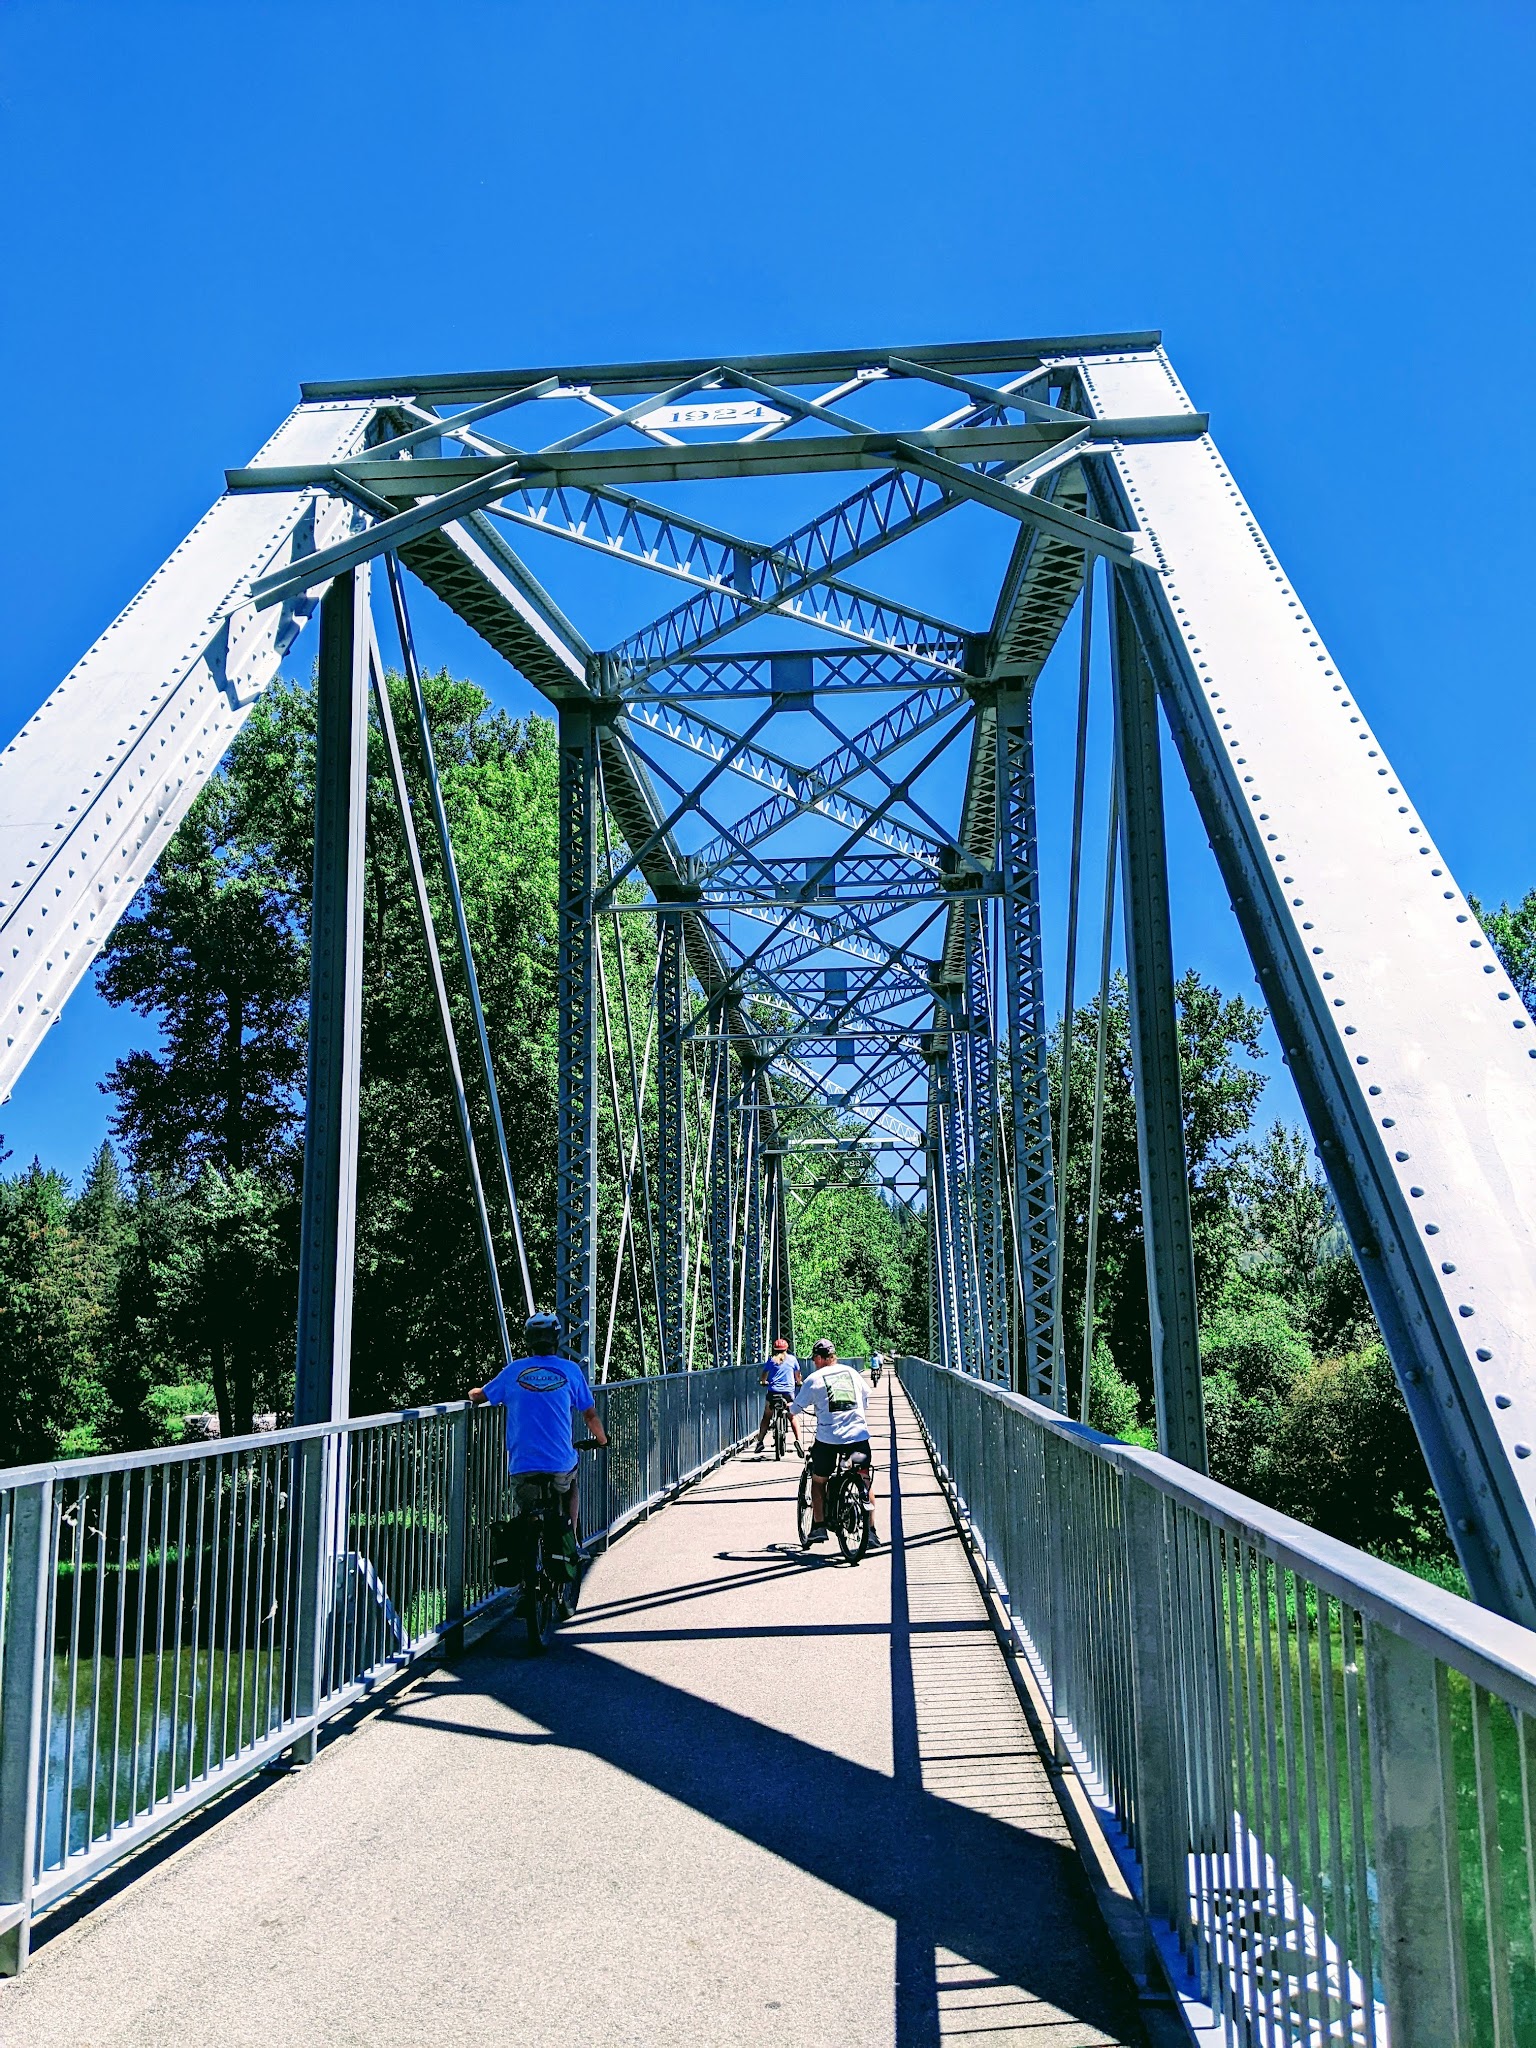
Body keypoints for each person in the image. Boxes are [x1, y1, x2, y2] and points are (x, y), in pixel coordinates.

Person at [469, 1312, 607, 1544]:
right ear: (556, 1339)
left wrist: (471, 1393)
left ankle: (527, 1557)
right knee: (571, 1484)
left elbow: (478, 1396)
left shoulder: (514, 1371)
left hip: (523, 1464)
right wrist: (602, 1440)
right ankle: (571, 1540)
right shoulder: (571, 1370)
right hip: (559, 1464)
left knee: (527, 1508)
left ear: (528, 1341)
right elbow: (590, 1416)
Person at [789, 1338, 878, 1547]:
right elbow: (866, 1398)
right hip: (858, 1437)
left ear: (819, 1358)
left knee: (819, 1480)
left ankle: (819, 1527)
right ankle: (872, 1531)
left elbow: (795, 1409)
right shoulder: (852, 1373)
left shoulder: (814, 1379)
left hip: (829, 1441)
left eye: (814, 1358)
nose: (813, 1362)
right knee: (864, 1478)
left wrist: (789, 1409)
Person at [753, 1336, 803, 1455]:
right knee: (792, 1416)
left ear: (774, 1349)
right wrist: (799, 1382)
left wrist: (763, 1382)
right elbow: (798, 1376)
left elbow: (764, 1376)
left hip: (773, 1392)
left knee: (767, 1416)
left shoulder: (771, 1361)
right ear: (787, 1349)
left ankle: (760, 1442)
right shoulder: (792, 1360)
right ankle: (799, 1441)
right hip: (788, 1393)